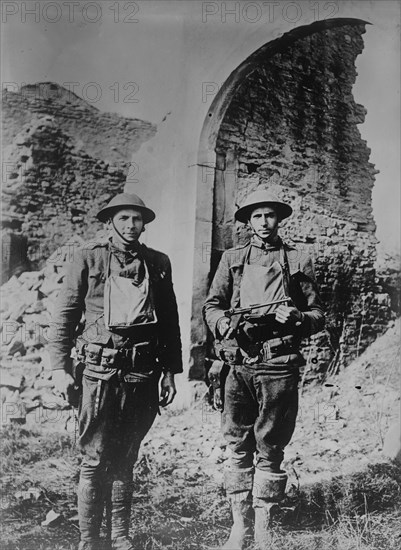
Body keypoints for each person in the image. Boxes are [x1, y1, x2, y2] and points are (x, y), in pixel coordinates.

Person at [49, 193, 182, 550]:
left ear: (144, 224)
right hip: (98, 371)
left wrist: (170, 371)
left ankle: (121, 536)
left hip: (141, 374)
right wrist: (59, 368)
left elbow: (169, 321)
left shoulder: (157, 262)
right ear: (110, 222)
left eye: (136, 219)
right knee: (94, 457)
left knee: (126, 455)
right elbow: (65, 315)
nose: (130, 225)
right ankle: (90, 540)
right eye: (123, 219)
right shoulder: (88, 257)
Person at [203, 189, 325, 549]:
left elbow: (318, 315)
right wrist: (221, 324)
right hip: (239, 363)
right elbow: (212, 305)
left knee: (271, 444)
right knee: (237, 443)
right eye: (257, 216)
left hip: (278, 363)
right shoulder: (233, 258)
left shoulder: (297, 259)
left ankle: (265, 527)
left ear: (279, 219)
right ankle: (239, 526)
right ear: (248, 222)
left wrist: (299, 317)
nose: (264, 222)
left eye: (270, 215)